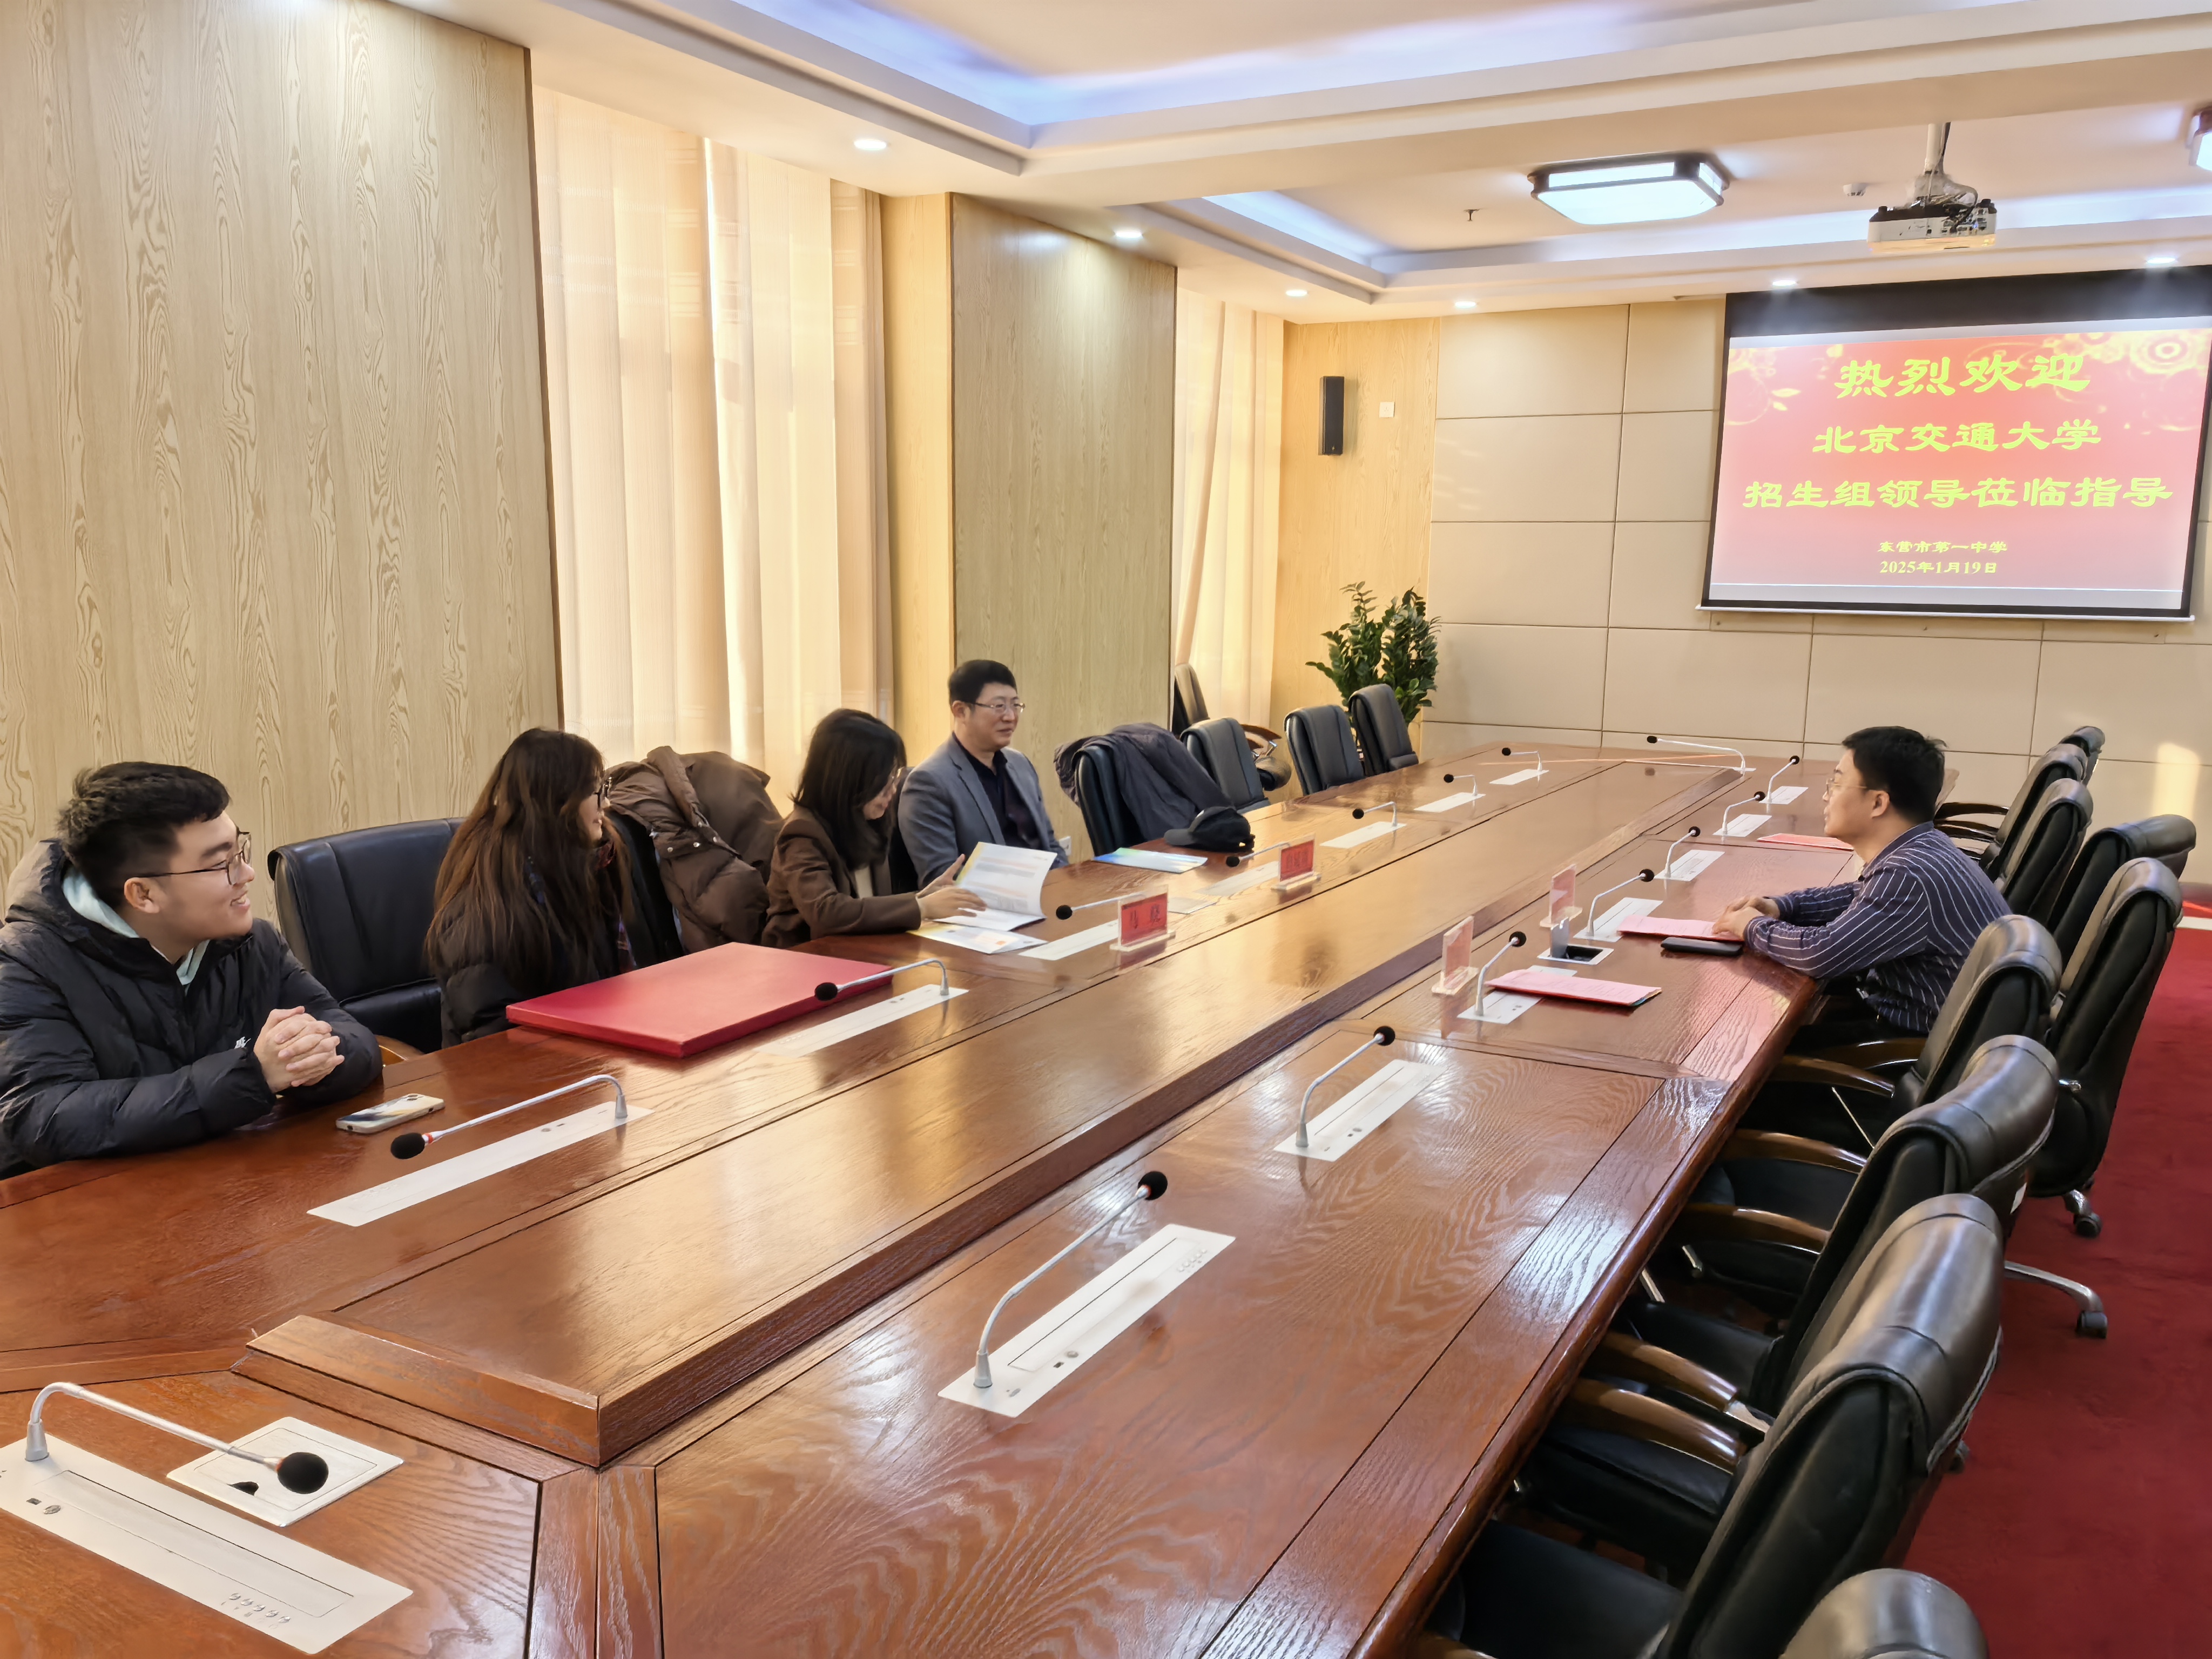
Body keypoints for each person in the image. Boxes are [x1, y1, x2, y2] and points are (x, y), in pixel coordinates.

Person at [0, 763, 378, 1175]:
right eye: (220, 864)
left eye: (240, 852)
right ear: (144, 894)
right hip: (94, 1202)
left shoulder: (251, 942)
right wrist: (252, 1077)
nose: (247, 874)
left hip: (234, 1184)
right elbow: (45, 1117)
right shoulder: (25, 964)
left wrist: (315, 1057)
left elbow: (352, 1036)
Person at [1712, 726, 2011, 1041]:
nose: (1826, 795)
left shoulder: (1908, 875)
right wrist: (1781, 907)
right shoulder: (1924, 846)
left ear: (1878, 803)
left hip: (1917, 1047)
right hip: (1930, 1025)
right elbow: (1859, 895)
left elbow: (1821, 954)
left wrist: (1752, 926)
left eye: (1837, 784)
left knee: (1749, 1042)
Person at [426, 729, 635, 1045]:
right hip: (521, 1068)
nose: (606, 802)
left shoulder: (588, 868)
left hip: (589, 1055)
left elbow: (609, 991)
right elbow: (496, 1044)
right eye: (595, 790)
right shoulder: (488, 912)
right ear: (557, 802)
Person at [764, 709, 985, 948]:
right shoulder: (802, 834)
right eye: (883, 780)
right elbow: (826, 912)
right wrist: (921, 906)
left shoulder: (870, 820)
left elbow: (869, 905)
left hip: (863, 951)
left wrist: (924, 897)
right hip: (805, 957)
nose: (893, 790)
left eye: (894, 776)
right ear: (848, 779)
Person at [898, 659, 1068, 885]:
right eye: (998, 706)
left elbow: (1049, 844)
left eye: (1015, 705)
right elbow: (944, 879)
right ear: (961, 711)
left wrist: (1065, 887)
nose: (1011, 716)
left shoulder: (1020, 764)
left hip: (1048, 895)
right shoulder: (928, 783)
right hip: (987, 904)